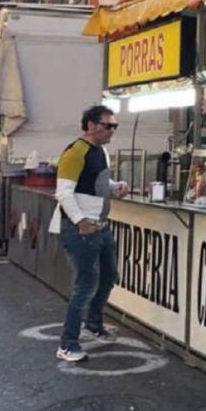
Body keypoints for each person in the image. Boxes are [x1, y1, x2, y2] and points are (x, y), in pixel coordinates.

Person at [48, 105, 129, 362]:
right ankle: (67, 343)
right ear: (91, 126)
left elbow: (96, 182)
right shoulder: (75, 153)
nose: (112, 131)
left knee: (108, 276)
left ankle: (93, 324)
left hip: (100, 226)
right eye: (108, 126)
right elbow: (64, 193)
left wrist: (115, 186)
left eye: (114, 126)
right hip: (82, 229)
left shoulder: (100, 151)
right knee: (85, 284)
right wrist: (81, 221)